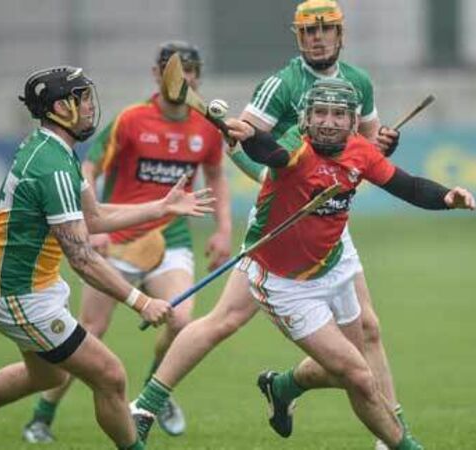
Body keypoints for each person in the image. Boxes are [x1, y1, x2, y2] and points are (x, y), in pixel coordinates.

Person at [133, 78, 474, 449]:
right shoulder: (297, 145)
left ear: (353, 121)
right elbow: (273, 154)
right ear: (306, 118)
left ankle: (283, 386)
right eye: (320, 113)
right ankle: (146, 407)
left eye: (338, 115)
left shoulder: (360, 151)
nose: (328, 121)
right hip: (285, 284)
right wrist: (250, 135)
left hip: (333, 267)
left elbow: (408, 186)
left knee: (348, 368)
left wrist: (447, 197)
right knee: (359, 375)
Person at [130, 2, 408, 448]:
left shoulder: (359, 81)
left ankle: (373, 425)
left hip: (329, 223)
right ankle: (144, 406)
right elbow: (237, 141)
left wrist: (385, 145)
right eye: (309, 31)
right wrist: (272, 183)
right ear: (299, 37)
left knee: (367, 331)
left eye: (325, 30)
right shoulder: (281, 85)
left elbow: (367, 147)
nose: (317, 38)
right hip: (280, 222)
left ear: (340, 34)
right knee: (225, 320)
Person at [0, 65, 215, 450]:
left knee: (48, 377)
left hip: (31, 288)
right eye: (81, 99)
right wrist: (141, 301)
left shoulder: (56, 151)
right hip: (19, 296)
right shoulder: (52, 167)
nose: (90, 106)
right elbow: (82, 258)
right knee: (111, 376)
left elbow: (94, 217)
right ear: (60, 108)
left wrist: (162, 207)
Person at [21, 41, 231, 443]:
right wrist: (93, 226)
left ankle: (153, 394)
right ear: (156, 74)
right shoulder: (132, 119)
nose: (183, 77)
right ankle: (42, 416)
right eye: (174, 69)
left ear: (198, 77)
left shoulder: (206, 127)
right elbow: (89, 167)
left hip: (171, 237)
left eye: (190, 70)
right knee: (90, 332)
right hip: (117, 240)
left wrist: (223, 230)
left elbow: (216, 177)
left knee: (182, 320)